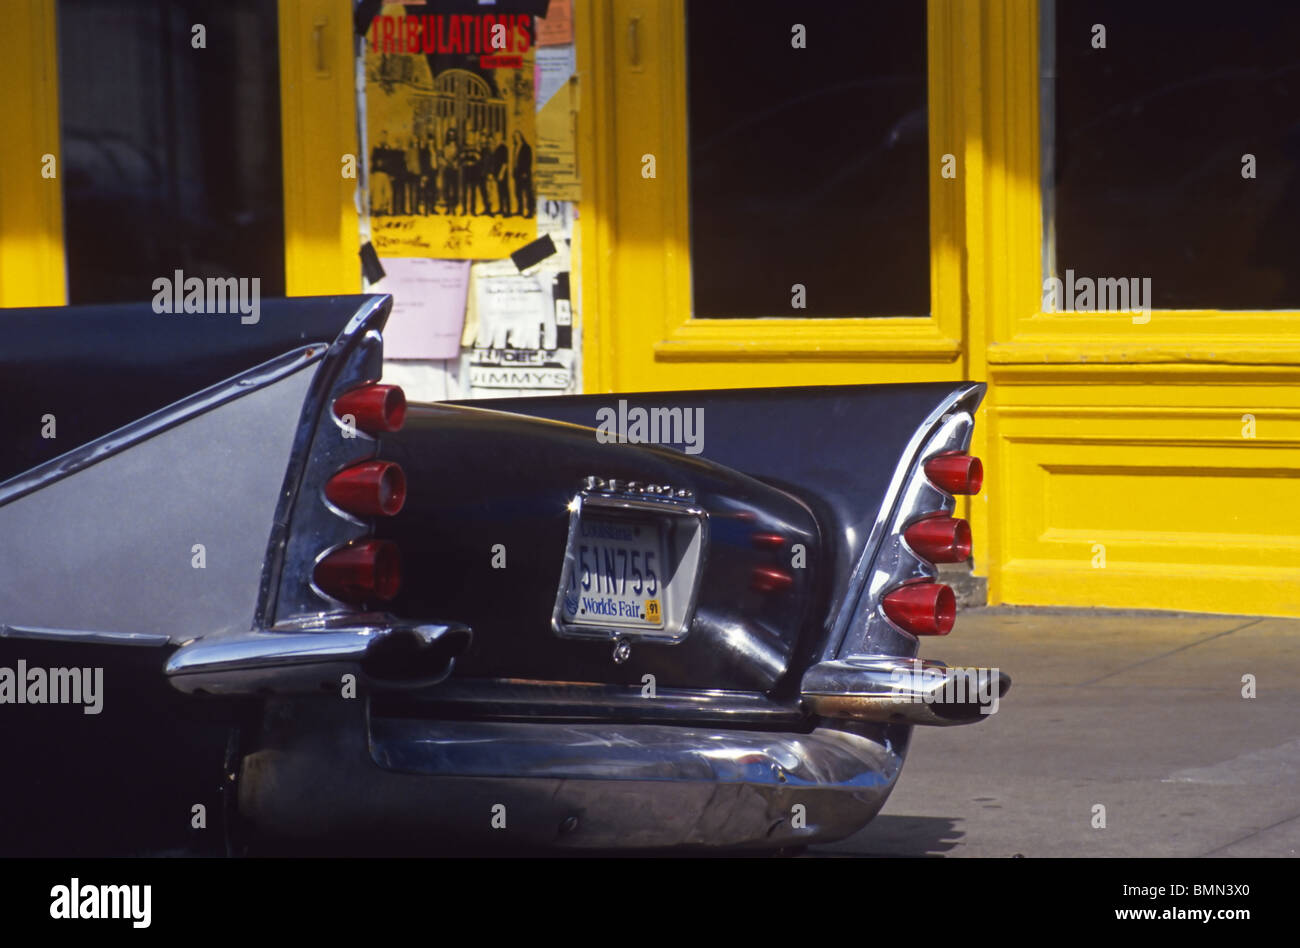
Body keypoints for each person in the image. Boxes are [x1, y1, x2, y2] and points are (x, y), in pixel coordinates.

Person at [462, 131, 489, 216]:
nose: (470, 138)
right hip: (465, 171)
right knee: (464, 191)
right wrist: (465, 162)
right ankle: (464, 210)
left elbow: (480, 159)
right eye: (469, 136)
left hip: (474, 172)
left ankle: (473, 210)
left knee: (473, 191)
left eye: (472, 136)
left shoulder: (477, 148)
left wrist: (474, 162)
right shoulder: (463, 147)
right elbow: (460, 159)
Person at [512, 130, 534, 218]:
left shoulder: (526, 147)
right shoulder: (516, 147)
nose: (516, 138)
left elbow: (528, 160)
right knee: (518, 192)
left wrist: (525, 172)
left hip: (525, 173)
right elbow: (515, 160)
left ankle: (530, 212)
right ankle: (520, 210)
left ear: (521, 136)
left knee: (528, 193)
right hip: (517, 173)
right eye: (515, 137)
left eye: (517, 136)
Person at [490, 130, 511, 216]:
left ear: (501, 137)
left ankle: (508, 211)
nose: (496, 138)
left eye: (498, 136)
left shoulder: (503, 148)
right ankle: (501, 209)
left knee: (505, 192)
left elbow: (505, 163)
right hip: (497, 173)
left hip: (502, 174)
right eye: (495, 136)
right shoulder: (496, 147)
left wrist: (501, 173)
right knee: (500, 192)